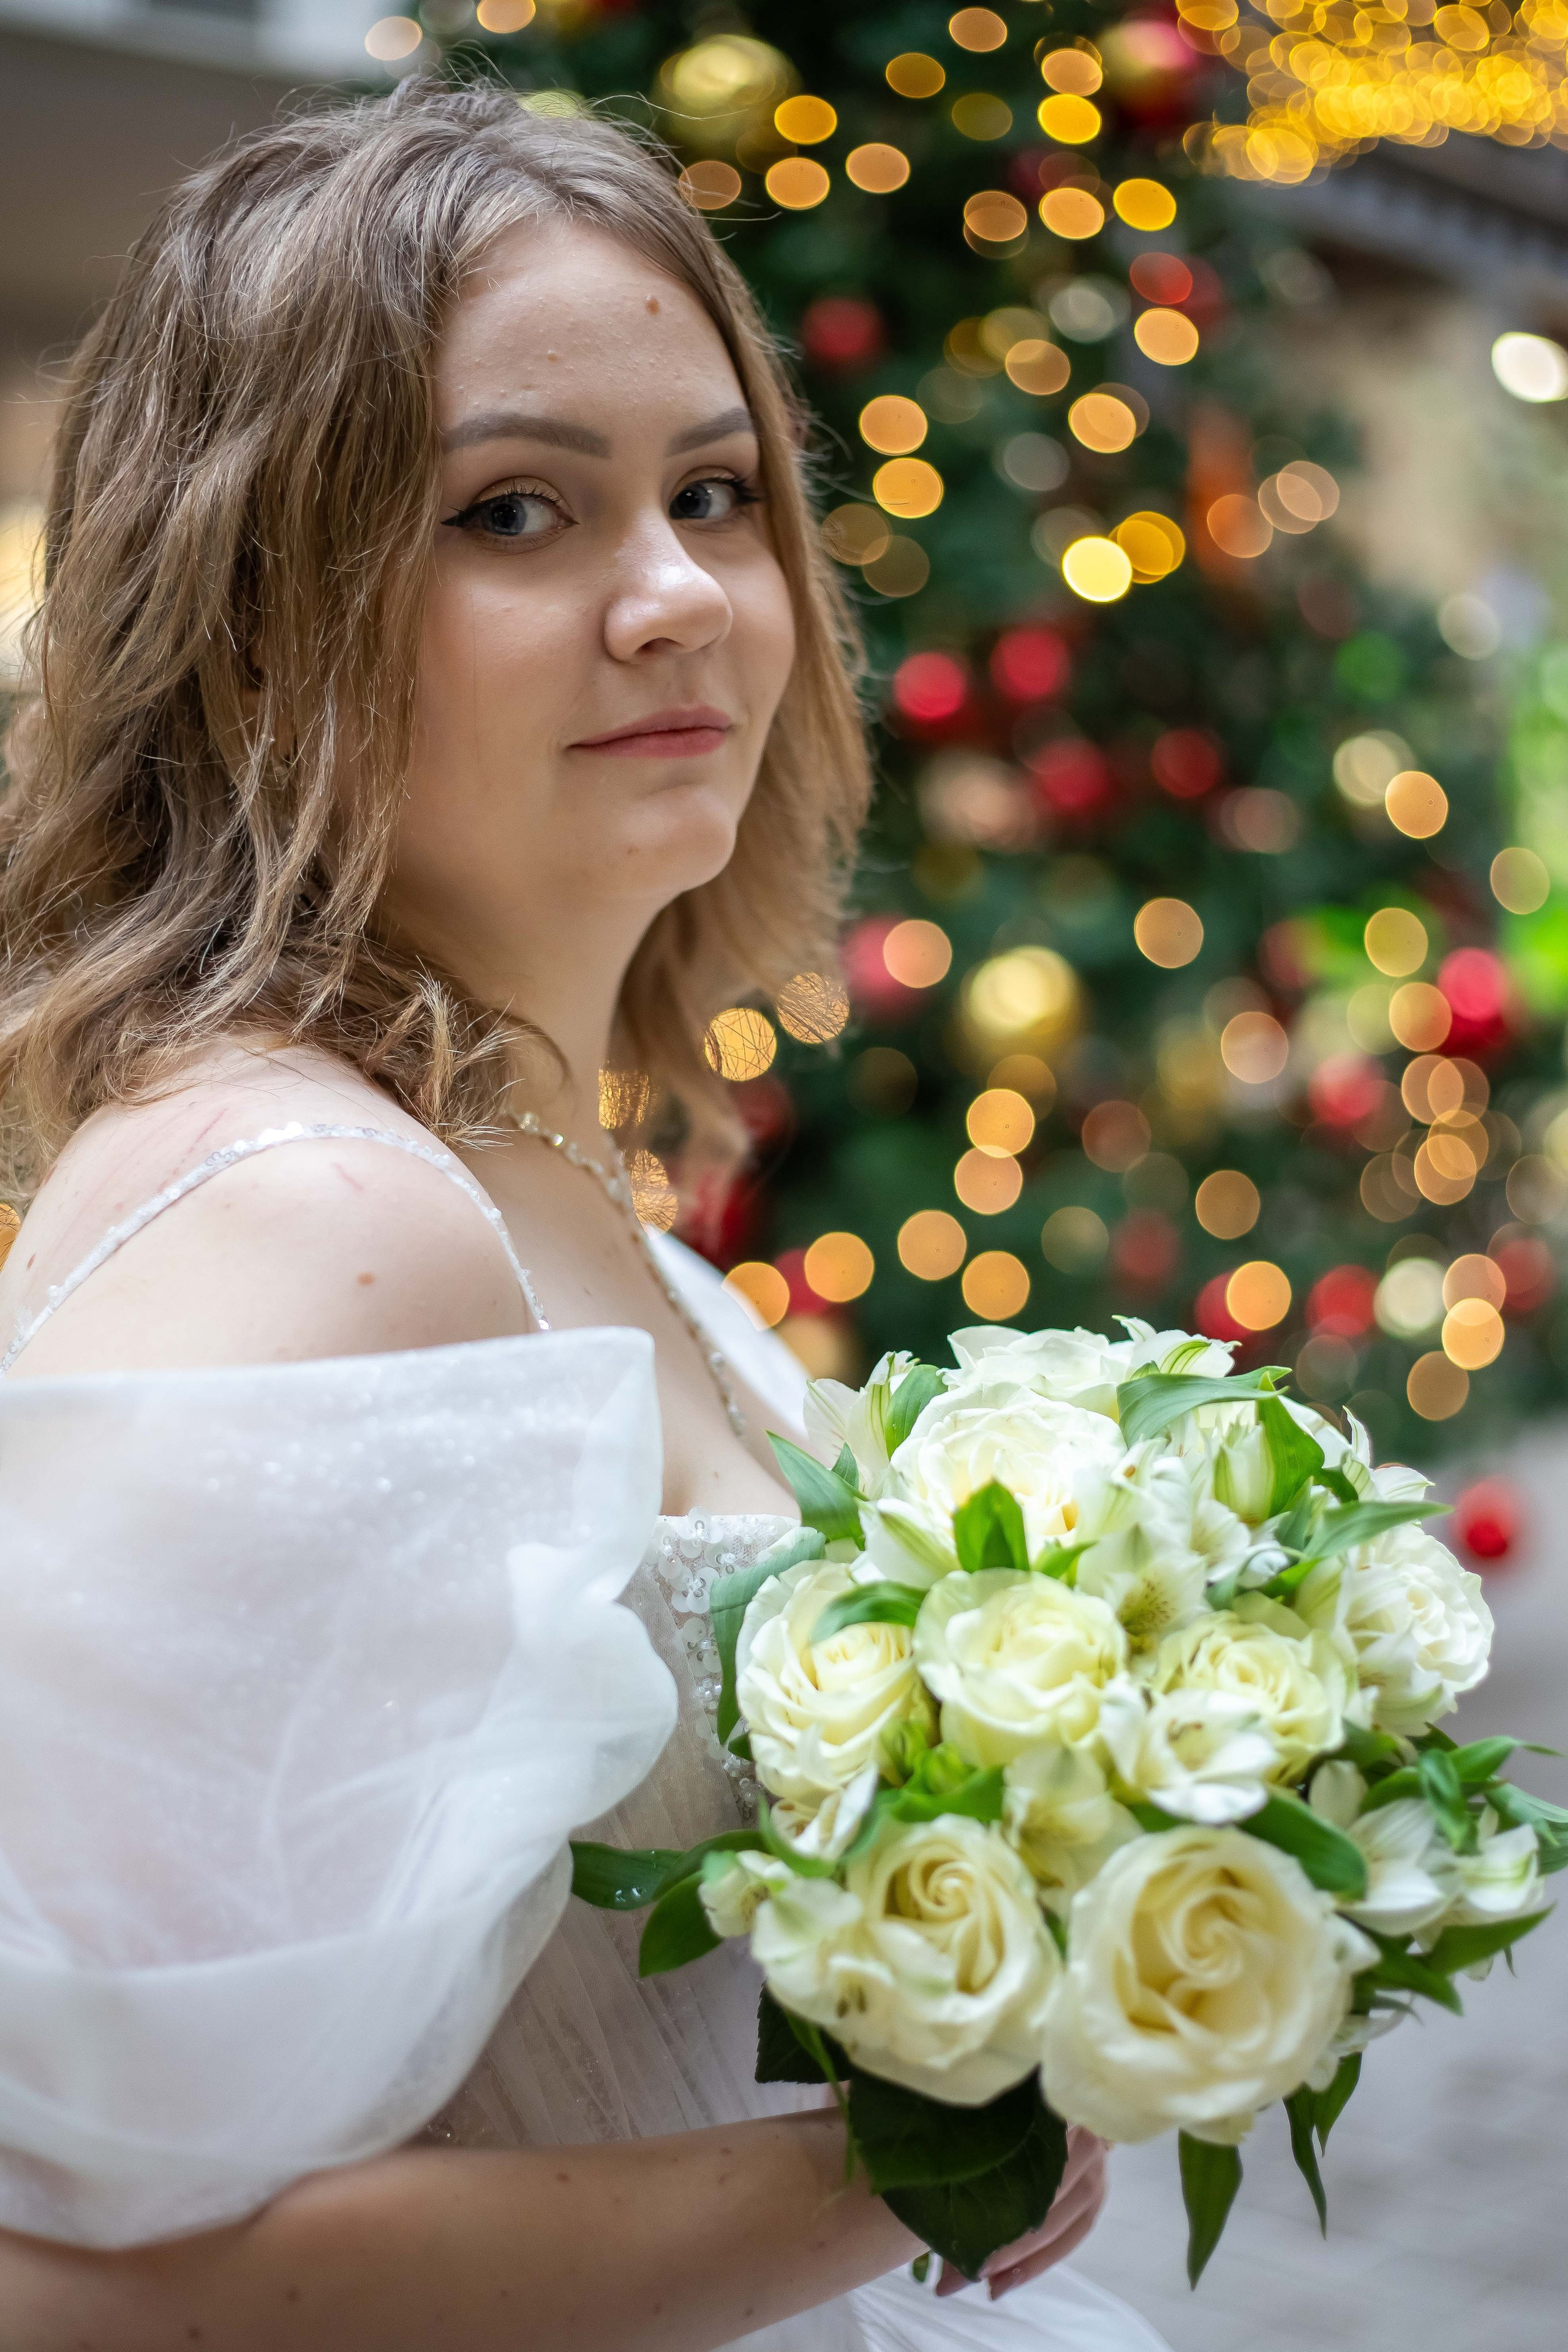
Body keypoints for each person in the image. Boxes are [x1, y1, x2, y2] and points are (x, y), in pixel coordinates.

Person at [0, 83, 1169, 2352]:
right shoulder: (321, 1217)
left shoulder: (547, 1181)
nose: (679, 599)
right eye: (515, 512)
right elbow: (54, 2273)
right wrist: (906, 2164)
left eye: (714, 495)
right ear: (251, 620)